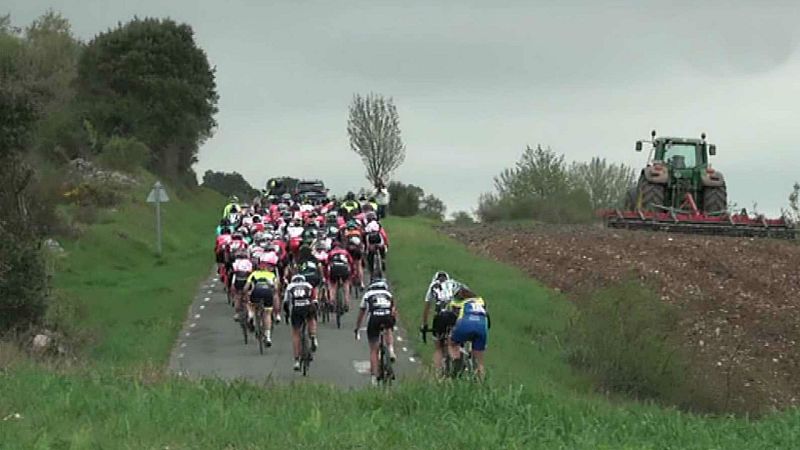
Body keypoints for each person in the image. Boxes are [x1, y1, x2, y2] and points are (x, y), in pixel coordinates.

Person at [354, 278, 397, 386]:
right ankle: (391, 349)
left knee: (374, 349)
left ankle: (374, 377)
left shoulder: (368, 295)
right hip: (387, 316)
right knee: (388, 329)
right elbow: (393, 310)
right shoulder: (388, 294)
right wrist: (393, 323)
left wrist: (357, 327)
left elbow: (361, 313)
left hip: (374, 318)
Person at [449, 284, 490, 378]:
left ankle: (457, 360)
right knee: (479, 362)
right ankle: (480, 386)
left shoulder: (457, 303)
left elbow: (453, 316)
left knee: (451, 343)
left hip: (465, 324)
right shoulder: (480, 300)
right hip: (481, 327)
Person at [421, 271, 458, 373]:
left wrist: (424, 325)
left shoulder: (433, 285)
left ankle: (437, 376)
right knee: (455, 341)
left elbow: (427, 307)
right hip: (453, 315)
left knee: (438, 347)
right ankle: (458, 359)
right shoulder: (453, 283)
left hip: (440, 316)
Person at [284, 274, 318, 371]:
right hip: (307, 306)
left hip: (296, 309)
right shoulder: (308, 285)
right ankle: (313, 337)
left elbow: (286, 302)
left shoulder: (290, 286)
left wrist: (287, 314)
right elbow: (315, 299)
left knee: (296, 333)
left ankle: (296, 361)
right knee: (311, 319)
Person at [244, 257, 280, 346]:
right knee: (267, 313)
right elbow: (275, 288)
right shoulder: (271, 275)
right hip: (267, 292)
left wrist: (246, 294)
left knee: (250, 304)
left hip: (256, 291)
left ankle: (251, 315)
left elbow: (246, 287)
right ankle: (267, 337)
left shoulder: (253, 274)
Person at [327, 241, 354, 310]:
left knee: (332, 285)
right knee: (346, 284)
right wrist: (352, 273)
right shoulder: (345, 252)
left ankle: (332, 300)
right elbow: (351, 262)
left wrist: (327, 276)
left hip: (334, 268)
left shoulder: (331, 253)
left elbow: (327, 264)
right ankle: (346, 303)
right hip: (344, 268)